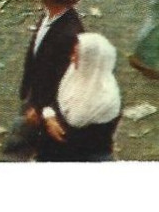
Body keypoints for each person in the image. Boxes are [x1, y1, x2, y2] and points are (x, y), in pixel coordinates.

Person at [4, 0, 84, 158]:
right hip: (33, 96)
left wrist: (41, 109)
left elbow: (64, 80)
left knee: (24, 147)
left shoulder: (70, 34)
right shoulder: (49, 15)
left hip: (44, 106)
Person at [37, 33, 122, 162]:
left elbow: (73, 131)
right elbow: (54, 99)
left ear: (89, 60)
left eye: (76, 55)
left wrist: (51, 120)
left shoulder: (104, 99)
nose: (71, 58)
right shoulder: (76, 73)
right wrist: (49, 117)